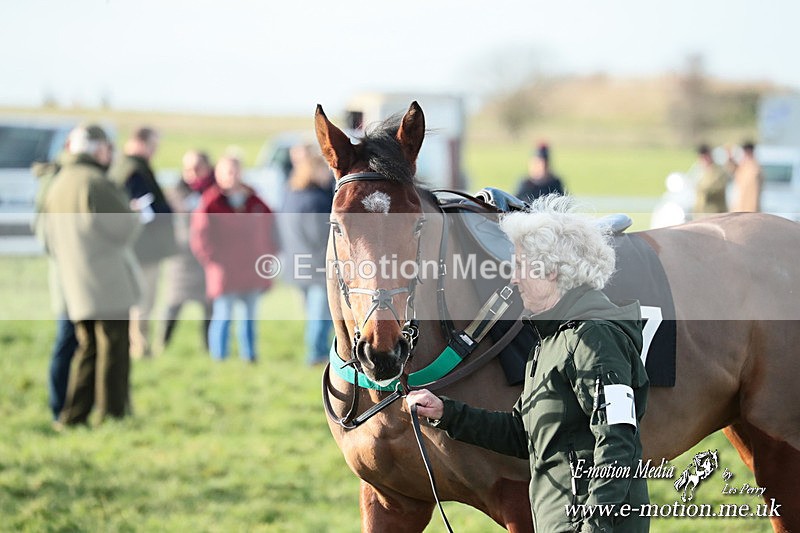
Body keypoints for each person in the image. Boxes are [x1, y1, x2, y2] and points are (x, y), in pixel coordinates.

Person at [406, 195, 650, 532]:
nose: (514, 278)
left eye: (521, 265)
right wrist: (446, 413)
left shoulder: (595, 340)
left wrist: (595, 525)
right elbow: (524, 434)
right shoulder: (549, 342)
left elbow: (618, 440)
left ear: (551, 270)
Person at [43, 124, 142, 426]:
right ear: (98, 149)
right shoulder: (95, 181)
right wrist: (134, 212)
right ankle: (113, 414)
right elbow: (123, 228)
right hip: (105, 280)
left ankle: (73, 416)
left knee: (87, 351)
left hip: (74, 280)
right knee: (113, 350)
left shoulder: (58, 182)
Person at [190, 155, 277, 362]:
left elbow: (271, 228)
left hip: (251, 269)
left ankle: (250, 357)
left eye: (235, 170)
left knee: (249, 317)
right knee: (223, 315)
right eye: (227, 171)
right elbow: (200, 238)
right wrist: (214, 261)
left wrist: (269, 254)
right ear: (218, 174)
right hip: (225, 271)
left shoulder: (255, 200)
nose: (232, 175)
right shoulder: (210, 202)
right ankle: (219, 358)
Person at [109, 126, 176, 358]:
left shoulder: (123, 166)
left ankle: (136, 346)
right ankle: (139, 348)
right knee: (143, 301)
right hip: (143, 247)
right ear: (141, 142)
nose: (154, 151)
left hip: (133, 246)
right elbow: (144, 209)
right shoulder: (133, 170)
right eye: (153, 145)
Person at [32, 151, 79, 421]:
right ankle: (59, 408)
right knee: (66, 340)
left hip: (87, 278)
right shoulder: (55, 182)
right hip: (67, 278)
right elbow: (44, 232)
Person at [278, 144, 334, 365]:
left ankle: (318, 351)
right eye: (323, 170)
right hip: (318, 267)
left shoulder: (289, 193)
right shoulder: (317, 201)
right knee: (321, 316)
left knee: (313, 313)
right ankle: (317, 355)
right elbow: (321, 236)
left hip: (296, 263)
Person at [159, 150, 215, 352]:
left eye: (197, 168)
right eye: (187, 168)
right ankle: (161, 347)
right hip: (181, 260)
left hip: (208, 259)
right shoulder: (174, 192)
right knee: (173, 305)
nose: (191, 173)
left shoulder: (216, 192)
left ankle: (210, 349)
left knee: (210, 309)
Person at [692, 143, 730, 217]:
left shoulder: (719, 171)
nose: (703, 159)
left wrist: (700, 188)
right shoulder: (700, 171)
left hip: (716, 215)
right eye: (701, 157)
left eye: (705, 156)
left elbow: (715, 188)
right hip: (702, 215)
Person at [731, 141, 763, 213]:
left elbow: (753, 193)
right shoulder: (744, 165)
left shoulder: (754, 168)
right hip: (740, 208)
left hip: (748, 209)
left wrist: (752, 212)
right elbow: (735, 171)